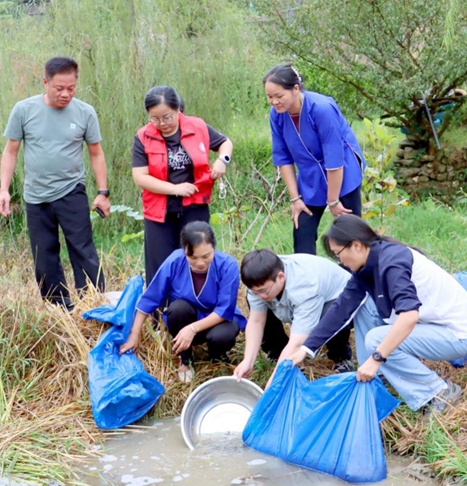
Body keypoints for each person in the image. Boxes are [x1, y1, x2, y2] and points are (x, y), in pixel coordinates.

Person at [288, 215, 467, 414]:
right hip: (432, 324)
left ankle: (438, 392)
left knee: (376, 340)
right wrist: (307, 348)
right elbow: (341, 308)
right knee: (362, 305)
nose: (340, 261)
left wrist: (377, 357)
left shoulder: (392, 263)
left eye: (338, 254)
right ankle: (372, 380)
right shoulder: (368, 264)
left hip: (457, 333)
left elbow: (409, 317)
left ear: (356, 245)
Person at [0, 56, 109, 311]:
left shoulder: (84, 112)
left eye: (71, 88)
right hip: (36, 196)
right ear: (45, 82)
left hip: (71, 191)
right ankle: (58, 308)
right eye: (59, 88)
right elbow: (11, 151)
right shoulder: (24, 110)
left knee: (83, 250)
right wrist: (4, 190)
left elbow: (96, 152)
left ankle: (92, 305)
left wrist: (103, 192)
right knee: (44, 256)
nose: (66, 94)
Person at [132, 85, 234, 286]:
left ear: (178, 109)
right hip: (159, 211)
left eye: (167, 117)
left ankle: (198, 308)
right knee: (160, 264)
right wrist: (175, 189)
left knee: (197, 258)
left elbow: (225, 143)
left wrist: (223, 160)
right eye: (155, 119)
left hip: (195, 207)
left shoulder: (197, 126)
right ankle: (159, 312)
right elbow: (140, 177)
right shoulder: (143, 136)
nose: (162, 123)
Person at [119, 222, 246, 382]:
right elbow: (151, 298)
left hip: (217, 321)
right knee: (178, 309)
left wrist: (192, 329)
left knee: (222, 336)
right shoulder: (175, 261)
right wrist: (134, 334)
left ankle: (217, 356)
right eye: (192, 257)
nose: (200, 263)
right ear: (184, 251)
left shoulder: (227, 265)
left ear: (214, 247)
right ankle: (185, 360)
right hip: (186, 319)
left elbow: (224, 309)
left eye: (206, 256)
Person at [263, 64, 365, 255]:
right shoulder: (276, 115)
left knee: (350, 236)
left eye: (279, 96)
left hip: (342, 171)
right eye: (270, 97)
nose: (274, 102)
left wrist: (333, 201)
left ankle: (356, 279)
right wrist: (295, 198)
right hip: (310, 176)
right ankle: (308, 279)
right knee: (302, 231)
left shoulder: (321, 109)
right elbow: (282, 157)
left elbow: (335, 159)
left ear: (295, 89)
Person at [233, 249, 356, 380]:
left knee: (331, 316)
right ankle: (278, 353)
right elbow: (256, 321)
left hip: (343, 299)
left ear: (280, 277)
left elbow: (297, 342)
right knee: (260, 305)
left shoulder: (305, 286)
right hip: (301, 300)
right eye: (255, 292)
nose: (259, 296)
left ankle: (341, 358)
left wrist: (273, 382)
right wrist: (248, 360)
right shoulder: (260, 281)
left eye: (263, 291)